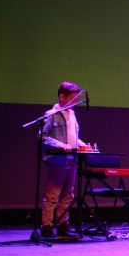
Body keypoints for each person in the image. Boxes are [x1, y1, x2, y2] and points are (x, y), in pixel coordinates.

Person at [40, 81, 89, 238]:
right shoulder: (51, 115)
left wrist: (82, 145)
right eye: (73, 99)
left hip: (72, 159)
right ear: (62, 96)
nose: (75, 102)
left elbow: (73, 138)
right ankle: (47, 226)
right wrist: (61, 145)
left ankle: (62, 224)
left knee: (68, 194)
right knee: (53, 194)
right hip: (58, 159)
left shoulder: (72, 115)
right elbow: (44, 137)